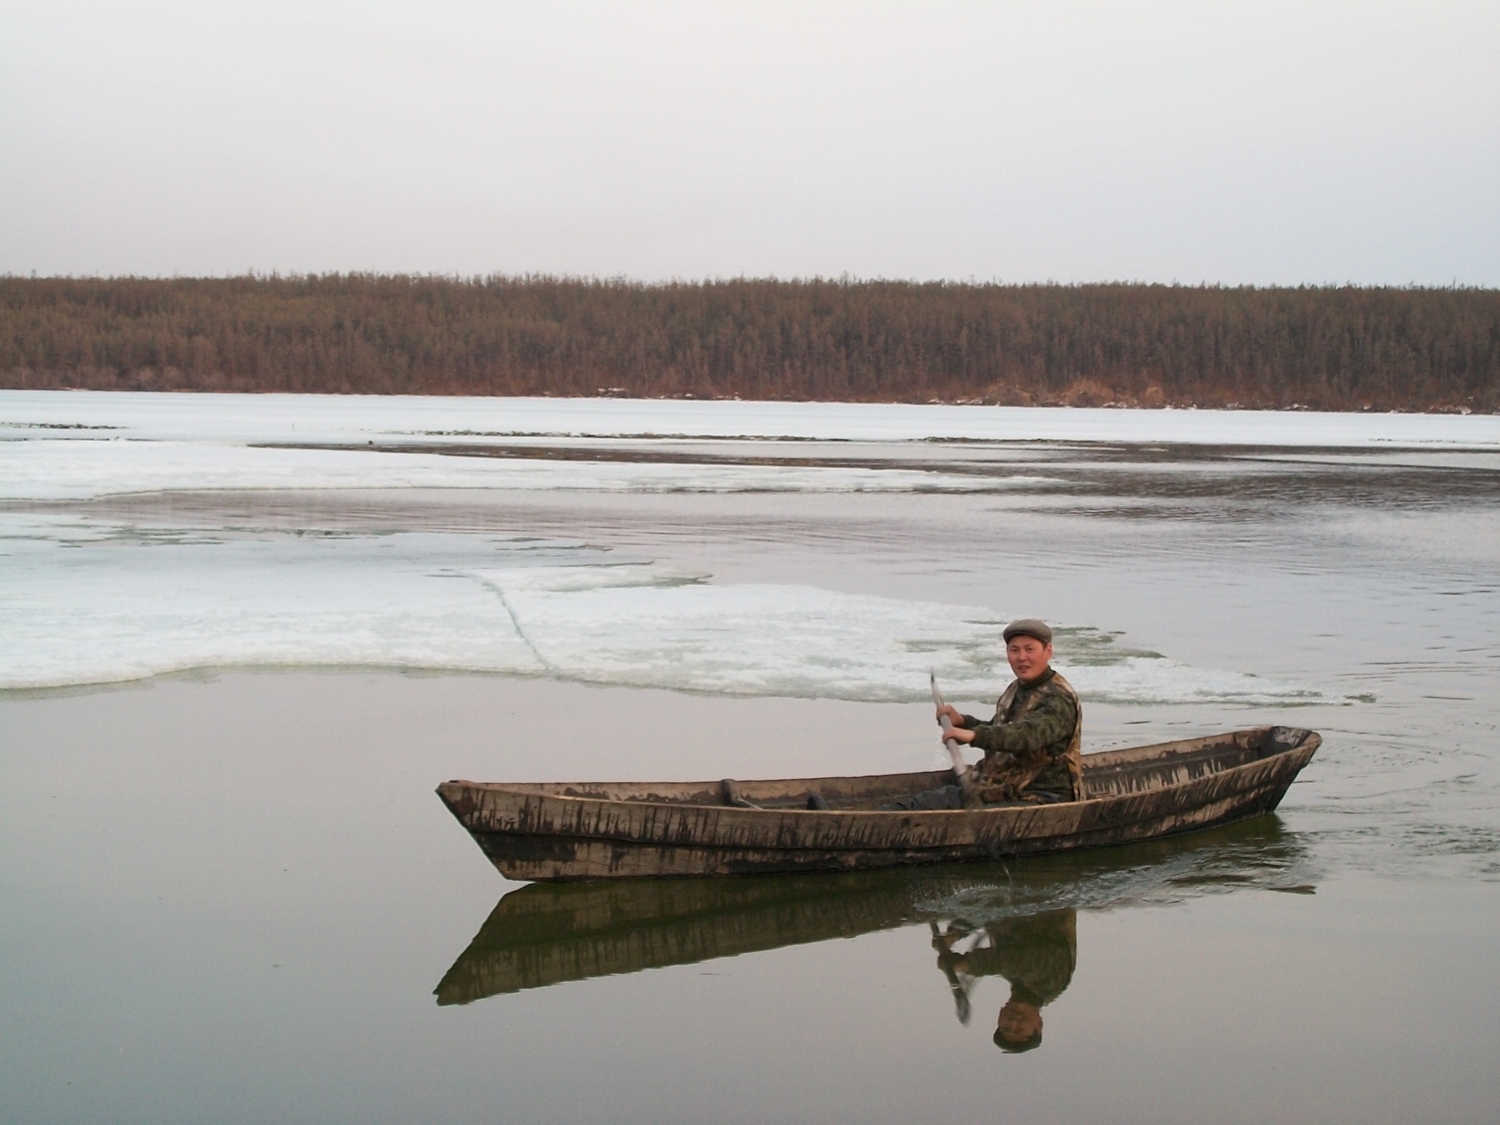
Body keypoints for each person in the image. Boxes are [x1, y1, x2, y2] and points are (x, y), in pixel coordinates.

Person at [884, 619, 1082, 810]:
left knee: (932, 801)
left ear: (1048, 651)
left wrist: (974, 736)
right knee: (937, 789)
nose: (1022, 657)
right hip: (1004, 784)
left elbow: (1026, 735)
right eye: (1015, 650)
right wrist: (963, 722)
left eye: (1029, 649)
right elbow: (1001, 730)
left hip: (1041, 796)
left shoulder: (1058, 699)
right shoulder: (1017, 688)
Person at [931, 908, 1078, 1053]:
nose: (1013, 1022)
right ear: (1038, 1024)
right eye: (1020, 1029)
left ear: (1000, 1016)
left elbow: (990, 910)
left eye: (1006, 1027)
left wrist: (954, 934)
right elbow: (1015, 960)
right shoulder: (1053, 981)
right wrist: (966, 964)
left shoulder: (1015, 978)